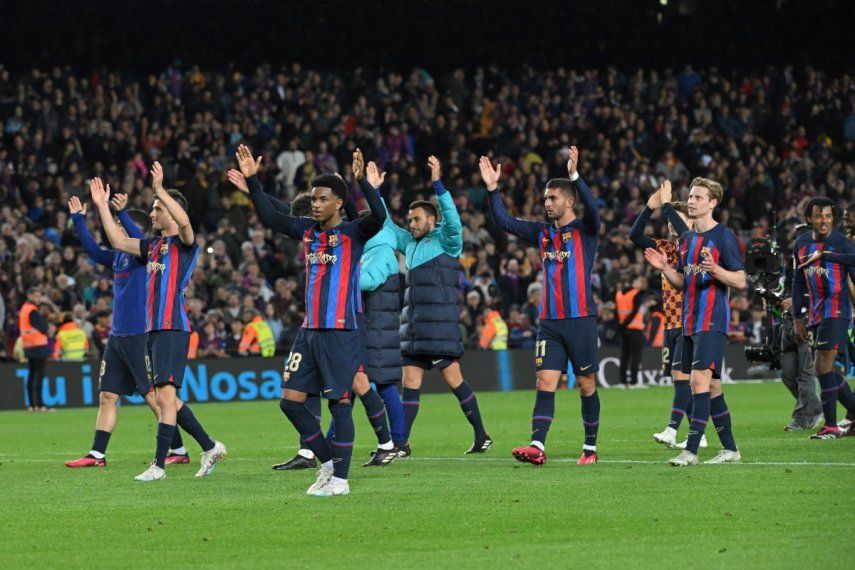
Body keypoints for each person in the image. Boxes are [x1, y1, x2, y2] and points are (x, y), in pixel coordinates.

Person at [234, 144, 386, 496]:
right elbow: (272, 218)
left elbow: (379, 218)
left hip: (339, 331)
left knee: (339, 403)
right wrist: (254, 182)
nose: (315, 204)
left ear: (338, 204)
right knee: (290, 400)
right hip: (309, 331)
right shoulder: (307, 231)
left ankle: (341, 482)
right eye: (313, 199)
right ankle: (329, 462)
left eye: (322, 199)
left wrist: (364, 184)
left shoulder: (354, 233)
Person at [90, 169, 226, 482]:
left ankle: (159, 466)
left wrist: (162, 190)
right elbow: (117, 240)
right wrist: (101, 207)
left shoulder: (185, 244)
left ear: (172, 213)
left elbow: (188, 224)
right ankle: (209, 446)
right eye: (153, 207)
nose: (152, 212)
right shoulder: (150, 247)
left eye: (158, 208)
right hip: (153, 331)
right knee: (169, 400)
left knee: (164, 399)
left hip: (172, 328)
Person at [481, 146, 602, 466]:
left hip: (580, 319)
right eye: (546, 199)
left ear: (569, 201)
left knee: (586, 384)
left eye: (553, 198)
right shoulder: (542, 233)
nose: (547, 203)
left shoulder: (586, 231)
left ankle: (590, 448)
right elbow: (504, 221)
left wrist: (576, 175)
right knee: (545, 381)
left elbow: (595, 209)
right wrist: (493, 189)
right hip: (549, 322)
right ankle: (537, 445)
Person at [65, 193, 191, 467]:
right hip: (117, 335)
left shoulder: (144, 255)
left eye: (120, 227)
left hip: (139, 334)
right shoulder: (120, 258)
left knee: (153, 396)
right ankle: (97, 454)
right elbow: (95, 251)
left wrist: (121, 214)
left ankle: (178, 447)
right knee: (108, 394)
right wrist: (78, 220)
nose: (116, 232)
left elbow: (134, 235)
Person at [385, 155, 492, 456]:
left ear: (432, 220)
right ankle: (401, 443)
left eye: (416, 219)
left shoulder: (447, 240)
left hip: (440, 328)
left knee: (454, 381)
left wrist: (437, 183)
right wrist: (374, 190)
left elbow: (453, 217)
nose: (412, 224)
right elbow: (386, 224)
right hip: (416, 328)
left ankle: (481, 435)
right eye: (410, 220)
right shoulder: (409, 243)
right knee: (410, 383)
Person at [645, 177, 746, 466]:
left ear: (712, 203)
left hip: (711, 321)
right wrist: (664, 267)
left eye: (698, 197)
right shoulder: (687, 240)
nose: (691, 201)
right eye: (690, 196)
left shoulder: (723, 237)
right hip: (688, 322)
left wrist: (716, 270)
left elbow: (740, 280)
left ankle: (690, 451)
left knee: (698, 381)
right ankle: (730, 450)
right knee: (712, 388)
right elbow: (681, 282)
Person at [630, 182, 708, 448]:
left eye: (679, 221)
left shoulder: (695, 245)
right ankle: (702, 433)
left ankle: (673, 430)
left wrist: (666, 206)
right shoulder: (665, 247)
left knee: (681, 379)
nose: (673, 226)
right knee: (680, 383)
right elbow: (634, 234)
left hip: (689, 323)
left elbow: (685, 231)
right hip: (670, 324)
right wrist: (650, 207)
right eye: (671, 222)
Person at [791, 197, 855, 439]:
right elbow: (797, 282)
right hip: (816, 313)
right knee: (824, 370)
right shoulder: (801, 243)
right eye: (819, 216)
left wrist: (827, 255)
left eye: (828, 216)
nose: (824, 221)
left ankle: (830, 426)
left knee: (822, 365)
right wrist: (798, 317)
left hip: (838, 310)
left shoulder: (841, 243)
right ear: (810, 218)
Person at [19, 288, 50, 411]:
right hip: (38, 345)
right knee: (39, 375)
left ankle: (31, 405)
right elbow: (43, 327)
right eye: (36, 296)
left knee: (31, 375)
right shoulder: (32, 310)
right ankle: (40, 404)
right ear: (29, 295)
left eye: (39, 296)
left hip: (28, 345)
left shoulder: (24, 309)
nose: (38, 299)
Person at [615, 277, 648, 388]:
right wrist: (625, 324)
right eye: (639, 281)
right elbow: (634, 312)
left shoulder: (619, 294)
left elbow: (617, 311)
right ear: (632, 282)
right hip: (634, 328)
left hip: (623, 329)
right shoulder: (636, 293)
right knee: (636, 355)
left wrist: (620, 326)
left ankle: (622, 382)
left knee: (624, 355)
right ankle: (634, 382)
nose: (641, 283)